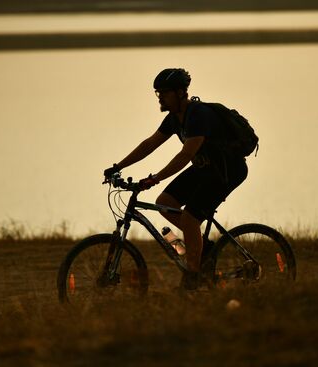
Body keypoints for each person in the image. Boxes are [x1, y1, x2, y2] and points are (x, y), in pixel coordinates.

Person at [103, 68, 248, 290]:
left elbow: (186, 154)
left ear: (180, 93)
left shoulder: (198, 115)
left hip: (227, 170)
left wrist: (156, 178)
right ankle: (201, 247)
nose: (160, 97)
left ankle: (194, 276)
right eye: (157, 93)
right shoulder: (174, 119)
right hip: (204, 169)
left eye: (164, 93)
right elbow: (149, 144)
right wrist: (117, 167)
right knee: (165, 204)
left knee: (190, 219)